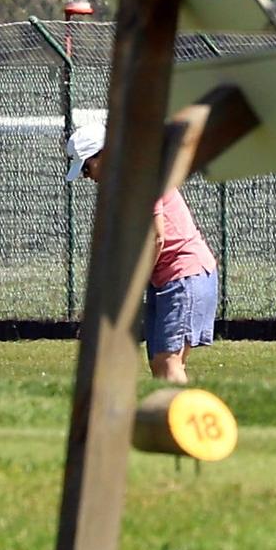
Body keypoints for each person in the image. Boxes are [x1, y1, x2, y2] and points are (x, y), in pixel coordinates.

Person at [64, 123, 219, 385]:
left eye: (87, 168)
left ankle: (186, 423)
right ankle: (167, 421)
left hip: (184, 274)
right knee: (161, 364)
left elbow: (157, 236)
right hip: (166, 279)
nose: (87, 177)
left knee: (170, 364)